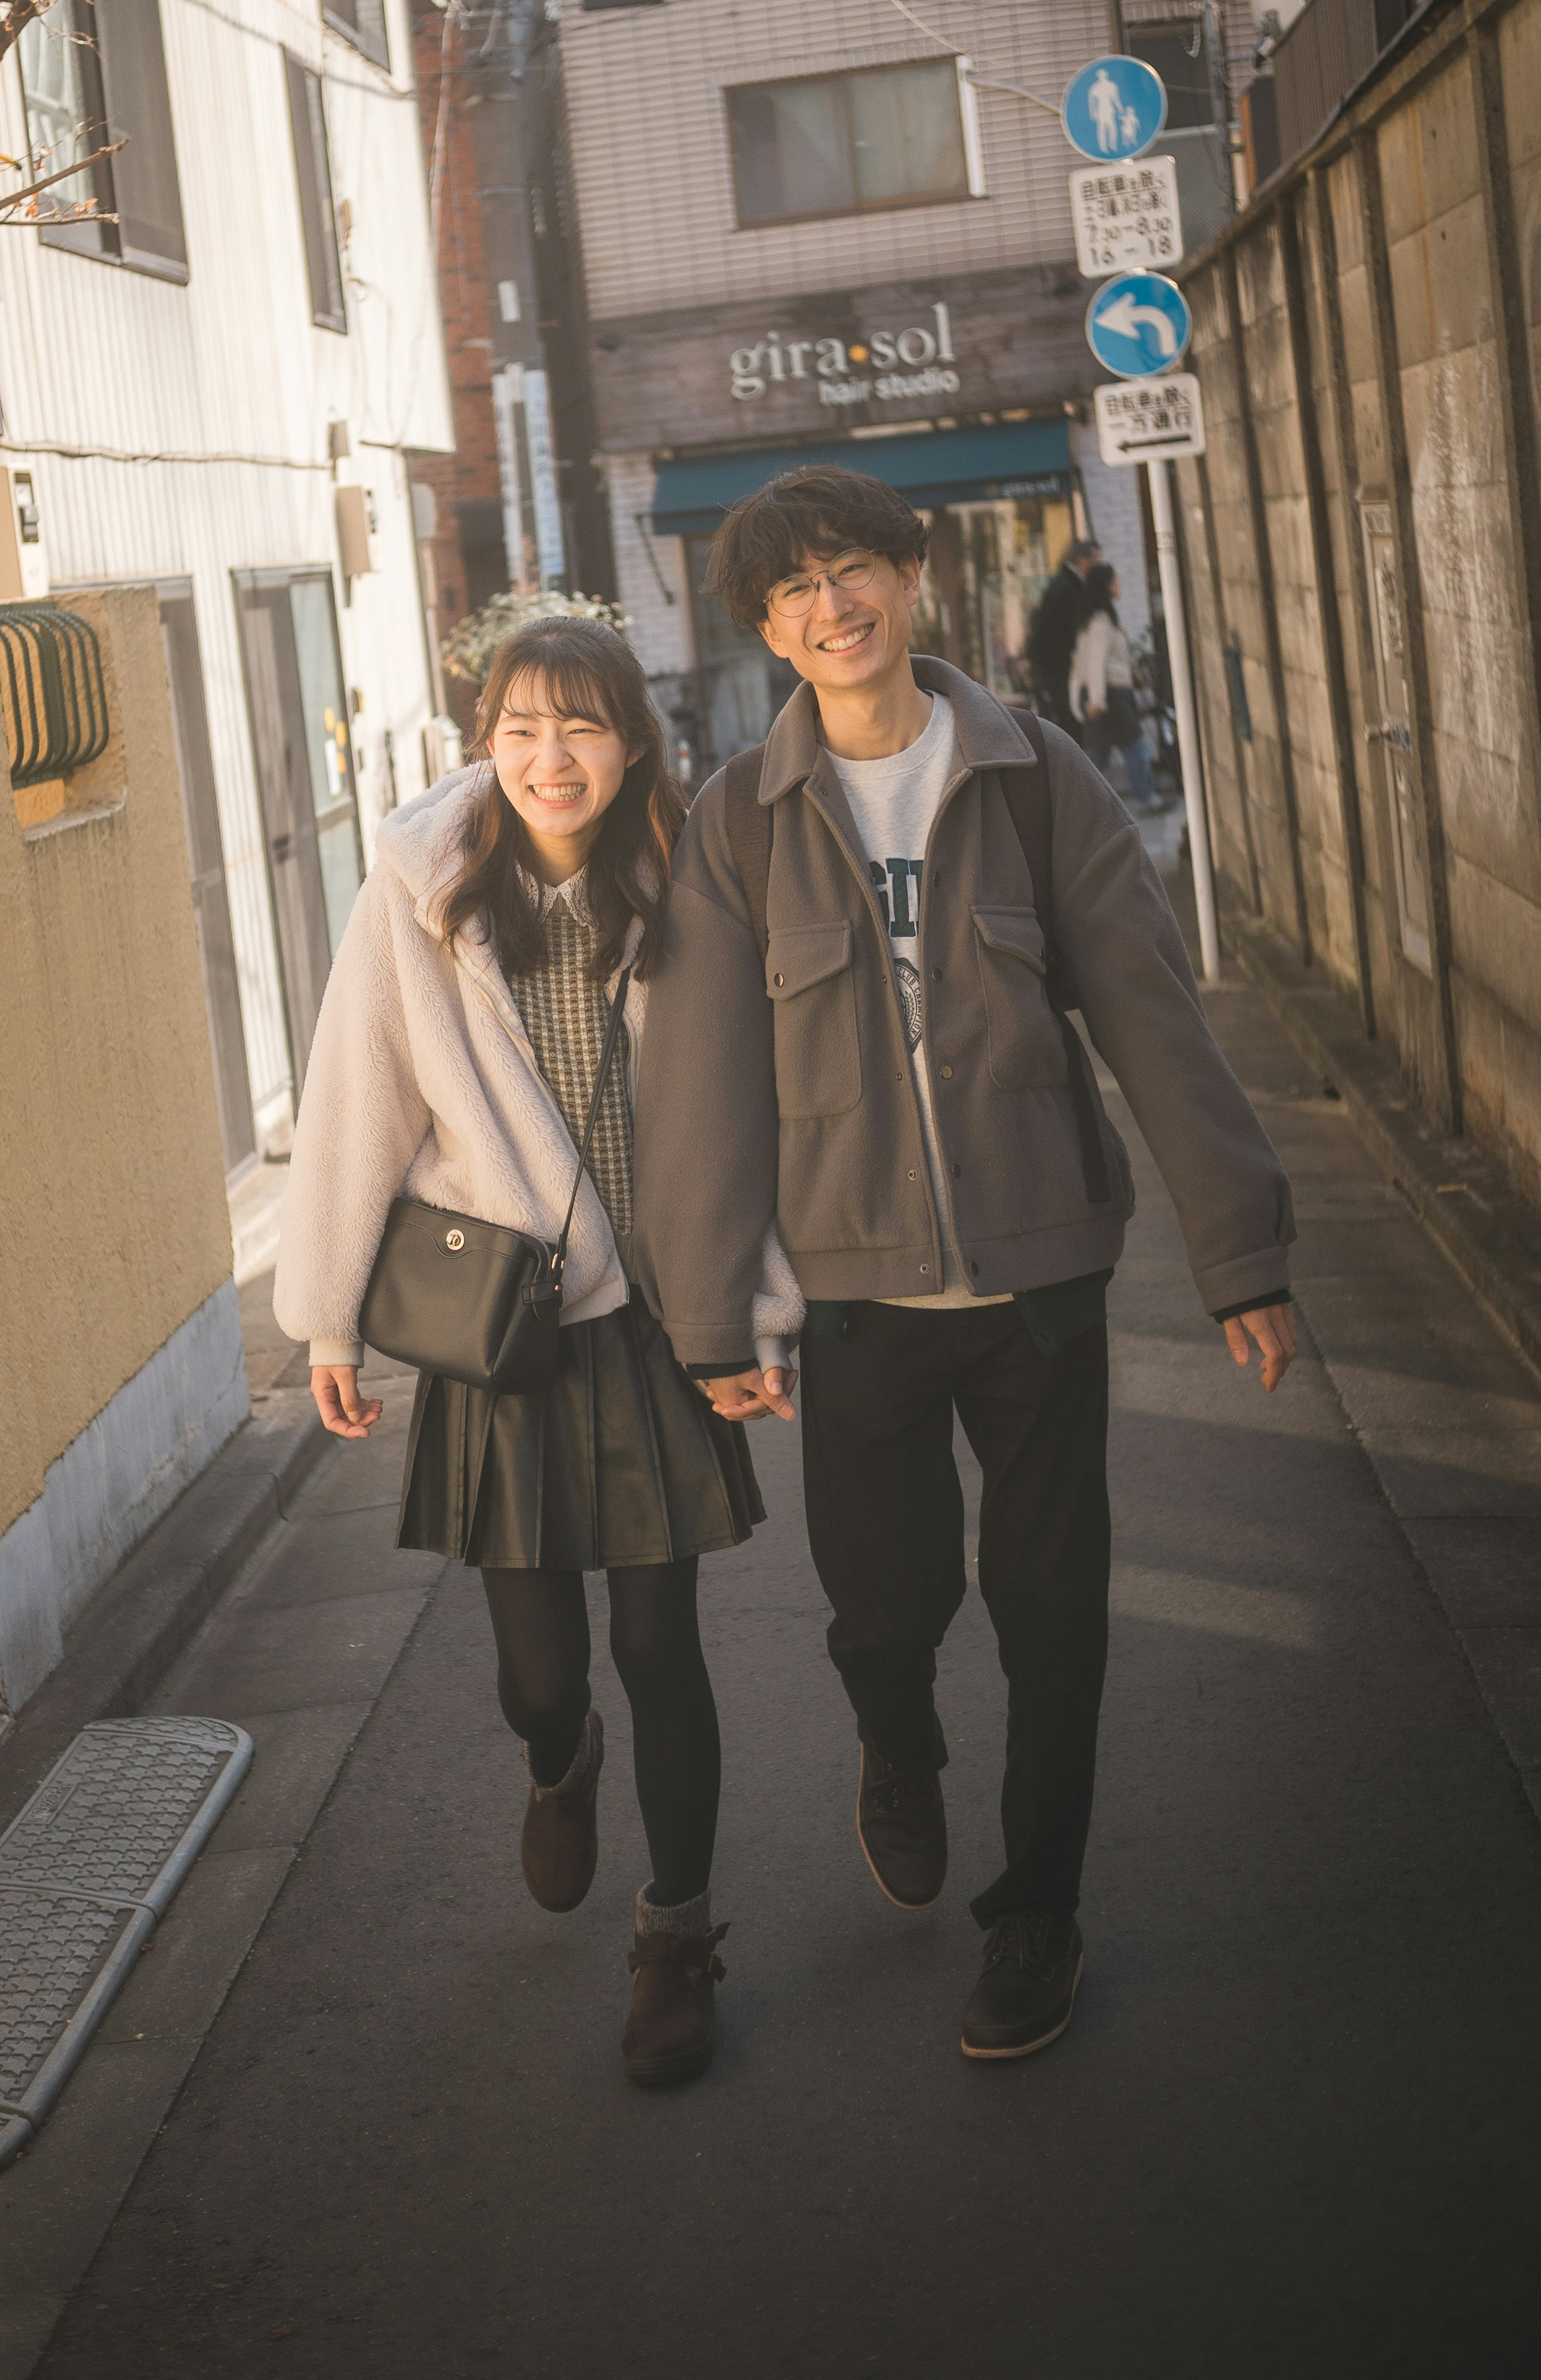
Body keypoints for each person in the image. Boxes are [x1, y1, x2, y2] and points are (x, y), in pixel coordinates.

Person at [632, 466, 1297, 2063]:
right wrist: (709, 1310)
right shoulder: (739, 818)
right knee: (885, 1606)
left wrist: (1238, 1252)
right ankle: (894, 1740)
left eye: (851, 568)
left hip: (1040, 1281)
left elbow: (1147, 1011)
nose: (828, 607)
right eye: (790, 591)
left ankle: (1038, 1916)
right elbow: (704, 1083)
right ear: (765, 631)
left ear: (910, 576)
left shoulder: (1028, 773)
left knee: (1050, 1601)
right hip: (857, 1300)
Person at [274, 617, 800, 2090]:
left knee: (658, 1645)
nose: (547, 758)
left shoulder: (697, 881)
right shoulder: (426, 893)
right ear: (482, 743)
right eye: (517, 728)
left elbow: (754, 1103)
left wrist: (758, 1305)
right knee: (541, 1672)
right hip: (501, 1325)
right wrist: (327, 1315)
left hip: (655, 1316)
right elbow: (355, 1088)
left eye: (577, 727)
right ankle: (558, 1764)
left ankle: (676, 1938)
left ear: (631, 739)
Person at [1069, 563, 1165, 807]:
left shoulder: (1102, 620)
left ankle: (1076, 803)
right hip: (1109, 697)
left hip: (1111, 694)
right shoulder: (1101, 623)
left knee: (1098, 754)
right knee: (1134, 744)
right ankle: (1148, 798)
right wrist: (1097, 701)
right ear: (1106, 586)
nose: (1118, 585)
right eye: (1115, 581)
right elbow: (1095, 664)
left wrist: (1133, 675)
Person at [1024, 537, 1101, 728]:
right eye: (1096, 560)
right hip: (1058, 669)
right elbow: (1046, 628)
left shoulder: (1068, 584)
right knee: (1065, 722)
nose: (1098, 565)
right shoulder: (1066, 588)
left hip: (1057, 667)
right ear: (1083, 561)